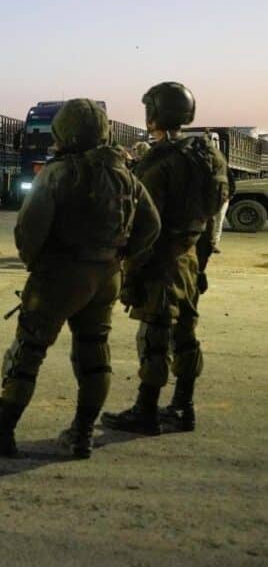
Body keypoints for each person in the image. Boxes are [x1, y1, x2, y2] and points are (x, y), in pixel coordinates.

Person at [0, 99, 160, 459]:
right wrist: (121, 256)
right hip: (105, 276)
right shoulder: (125, 175)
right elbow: (151, 225)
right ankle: (82, 434)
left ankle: (3, 432)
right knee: (94, 351)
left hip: (59, 276)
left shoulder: (58, 173)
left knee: (27, 352)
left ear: (65, 131)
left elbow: (29, 229)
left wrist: (37, 263)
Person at [102, 83, 228, 435]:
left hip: (160, 260)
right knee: (186, 332)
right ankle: (184, 407)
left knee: (155, 336)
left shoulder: (160, 162)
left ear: (154, 114)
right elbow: (213, 211)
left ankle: (145, 411)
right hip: (191, 256)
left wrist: (131, 273)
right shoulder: (208, 155)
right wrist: (201, 263)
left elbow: (142, 224)